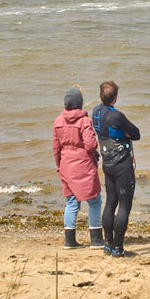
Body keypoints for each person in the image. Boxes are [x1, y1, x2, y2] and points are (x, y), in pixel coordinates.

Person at [92, 80, 141, 257]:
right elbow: (136, 134)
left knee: (110, 202)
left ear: (100, 96)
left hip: (107, 163)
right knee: (124, 206)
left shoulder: (96, 112)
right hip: (122, 164)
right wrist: (125, 133)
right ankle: (118, 248)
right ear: (116, 98)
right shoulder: (116, 116)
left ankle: (108, 245)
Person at [52, 87, 105, 249]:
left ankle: (70, 240)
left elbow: (56, 148)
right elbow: (90, 145)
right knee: (94, 200)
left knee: (71, 202)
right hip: (83, 164)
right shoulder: (84, 121)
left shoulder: (58, 121)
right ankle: (96, 239)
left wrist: (59, 165)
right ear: (79, 103)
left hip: (66, 163)